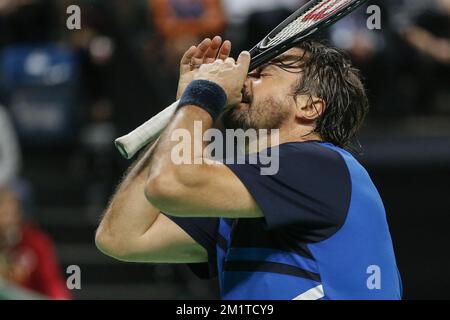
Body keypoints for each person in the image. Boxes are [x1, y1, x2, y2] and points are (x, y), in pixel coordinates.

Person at [96, 36, 402, 300]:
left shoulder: (321, 165)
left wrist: (203, 95)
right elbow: (120, 237)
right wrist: (186, 106)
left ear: (309, 106)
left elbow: (170, 184)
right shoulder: (241, 196)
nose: (244, 76)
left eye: (263, 72)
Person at [0, 187, 71, 300]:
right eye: (3, 214)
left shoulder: (35, 242)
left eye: (11, 214)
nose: (8, 221)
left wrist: (60, 297)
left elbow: (51, 280)